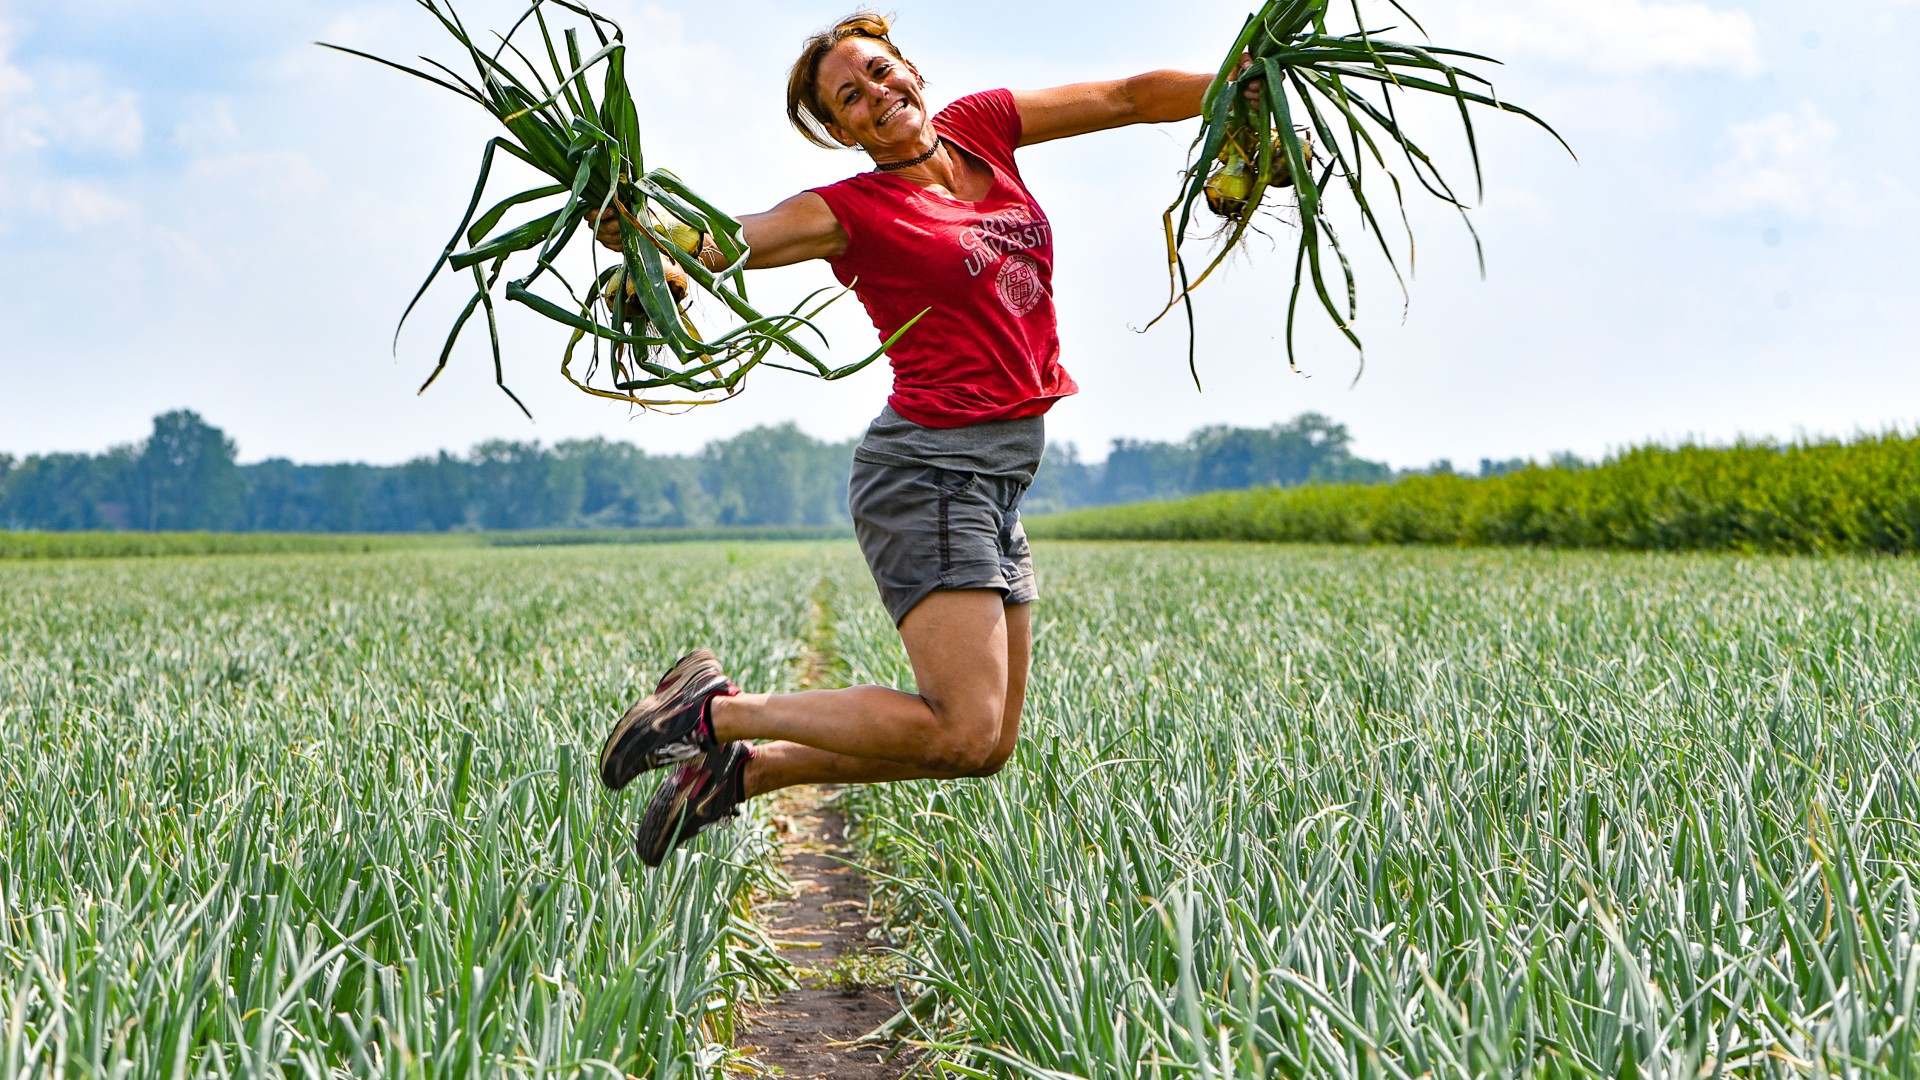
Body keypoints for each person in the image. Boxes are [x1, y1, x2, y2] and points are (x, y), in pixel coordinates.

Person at [595, 12, 1236, 867]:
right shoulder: (851, 211)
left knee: (983, 745)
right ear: (838, 131)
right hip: (931, 470)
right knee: (959, 725)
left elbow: (1127, 98)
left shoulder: (986, 129)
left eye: (878, 72)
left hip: (1001, 479)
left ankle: (743, 774)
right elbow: (725, 241)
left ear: (911, 69)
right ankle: (708, 715)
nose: (875, 97)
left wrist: (1241, 84)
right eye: (848, 99)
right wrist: (646, 238)